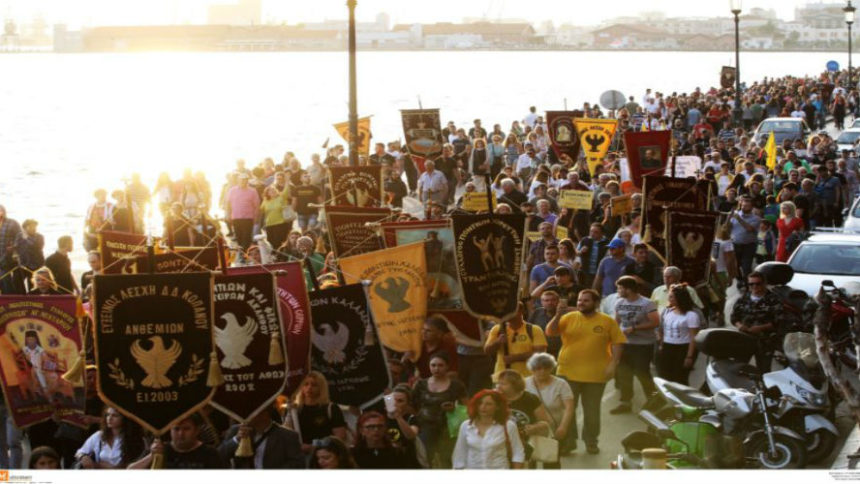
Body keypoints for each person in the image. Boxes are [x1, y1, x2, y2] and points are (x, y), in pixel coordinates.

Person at [545, 289, 624, 454]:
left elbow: (618, 343)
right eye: (580, 300)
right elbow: (550, 332)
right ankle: (569, 442)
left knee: (592, 410)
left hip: (596, 374)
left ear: (596, 303)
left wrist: (613, 364)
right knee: (567, 410)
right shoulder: (568, 318)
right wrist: (558, 315)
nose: (581, 303)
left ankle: (591, 441)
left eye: (586, 300)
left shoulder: (607, 321)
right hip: (567, 372)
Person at [611, 276, 659, 414]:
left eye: (620, 288)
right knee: (624, 373)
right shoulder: (619, 302)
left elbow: (655, 322)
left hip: (643, 344)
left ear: (629, 289)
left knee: (642, 372)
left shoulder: (647, 303)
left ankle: (654, 399)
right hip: (625, 344)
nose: (618, 291)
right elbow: (616, 322)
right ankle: (625, 403)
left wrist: (635, 328)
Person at [411, 352, 466, 469]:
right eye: (433, 365)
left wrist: (454, 408)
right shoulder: (420, 384)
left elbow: (467, 407)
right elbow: (412, 405)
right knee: (425, 459)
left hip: (448, 429)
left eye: (440, 365)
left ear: (447, 366)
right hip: (425, 427)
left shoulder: (456, 385)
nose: (436, 368)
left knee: (447, 461)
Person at [451, 390, 525, 469]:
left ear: (497, 407)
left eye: (488, 404)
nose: (483, 407)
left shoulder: (508, 426)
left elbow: (518, 452)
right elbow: (459, 455)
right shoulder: (466, 425)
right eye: (480, 403)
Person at [283, 371, 348, 456]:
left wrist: (312, 446)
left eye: (314, 385)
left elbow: (339, 438)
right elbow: (285, 435)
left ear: (321, 388)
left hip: (324, 456)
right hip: (299, 457)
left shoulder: (331, 409)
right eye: (306, 384)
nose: (309, 388)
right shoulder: (294, 410)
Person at [495, 370, 551, 467]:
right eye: (498, 383)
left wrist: (534, 428)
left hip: (527, 444)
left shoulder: (530, 399)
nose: (498, 387)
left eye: (503, 384)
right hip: (500, 444)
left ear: (515, 385)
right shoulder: (495, 399)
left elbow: (545, 422)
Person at [218, 406, 304, 469]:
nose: (246, 415)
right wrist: (236, 440)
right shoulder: (236, 431)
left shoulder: (287, 436)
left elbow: (297, 464)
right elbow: (219, 456)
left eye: (251, 412)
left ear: (265, 413)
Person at [525, 353, 574, 460]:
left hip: (554, 429)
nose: (542, 371)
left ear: (551, 368)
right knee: (530, 460)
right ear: (532, 369)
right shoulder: (524, 383)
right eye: (538, 368)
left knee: (551, 460)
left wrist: (563, 427)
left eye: (546, 368)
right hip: (531, 429)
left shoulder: (561, 384)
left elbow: (569, 408)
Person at [731, 271, 783, 372]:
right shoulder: (743, 299)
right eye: (751, 284)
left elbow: (780, 321)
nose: (754, 286)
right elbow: (734, 317)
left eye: (758, 283)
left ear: (764, 283)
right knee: (739, 368)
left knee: (764, 371)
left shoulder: (774, 300)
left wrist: (761, 328)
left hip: (765, 342)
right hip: (744, 339)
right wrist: (739, 325)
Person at [128, 414, 222, 469]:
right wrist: (152, 456)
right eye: (176, 429)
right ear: (170, 430)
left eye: (186, 429)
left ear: (196, 430)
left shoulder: (210, 453)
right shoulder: (160, 449)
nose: (181, 434)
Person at [484, 302, 547, 380]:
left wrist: (515, 358)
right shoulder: (497, 329)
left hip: (528, 378)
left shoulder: (534, 329)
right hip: (502, 378)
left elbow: (540, 353)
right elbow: (487, 351)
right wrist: (498, 342)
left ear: (522, 311)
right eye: (507, 311)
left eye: (512, 311)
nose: (509, 314)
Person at [656, 284, 701, 385]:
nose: (669, 299)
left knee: (679, 377)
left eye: (672, 297)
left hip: (683, 348)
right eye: (669, 296)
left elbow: (693, 337)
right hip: (667, 347)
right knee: (665, 376)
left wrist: (689, 356)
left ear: (680, 298)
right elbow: (663, 330)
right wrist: (661, 345)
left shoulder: (691, 315)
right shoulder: (667, 312)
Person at [74, 407, 145, 469]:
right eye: (108, 415)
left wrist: (113, 468)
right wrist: (83, 456)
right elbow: (80, 452)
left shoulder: (131, 438)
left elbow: (133, 465)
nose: (109, 418)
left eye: (115, 415)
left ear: (124, 419)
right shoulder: (99, 435)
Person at [383, 384, 423, 468]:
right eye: (394, 400)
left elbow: (411, 435)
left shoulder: (411, 418)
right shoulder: (381, 418)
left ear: (407, 404)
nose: (395, 403)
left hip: (408, 462)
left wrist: (398, 417)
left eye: (400, 401)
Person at [226, 173, 261, 253]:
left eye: (245, 180)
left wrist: (256, 217)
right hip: (236, 217)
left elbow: (257, 205)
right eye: (241, 180)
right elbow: (228, 204)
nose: (243, 181)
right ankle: (242, 252)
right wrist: (228, 214)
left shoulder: (252, 191)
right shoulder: (232, 190)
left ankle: (245, 253)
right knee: (239, 236)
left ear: (247, 181)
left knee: (246, 237)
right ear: (238, 180)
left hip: (248, 217)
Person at [729, 195, 761, 278]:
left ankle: (747, 282)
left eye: (747, 205)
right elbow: (727, 228)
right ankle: (740, 281)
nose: (744, 207)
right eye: (743, 205)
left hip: (749, 246)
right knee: (736, 265)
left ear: (751, 207)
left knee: (746, 267)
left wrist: (739, 219)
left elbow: (749, 229)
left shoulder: (756, 218)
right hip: (735, 244)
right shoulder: (735, 215)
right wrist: (728, 218)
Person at [14, 219, 44, 293]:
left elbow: (37, 247)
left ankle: (33, 298)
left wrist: (27, 237)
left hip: (35, 265)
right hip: (22, 264)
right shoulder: (19, 236)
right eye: (31, 226)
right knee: (17, 282)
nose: (34, 228)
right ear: (25, 228)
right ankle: (20, 297)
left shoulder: (40, 237)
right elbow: (16, 247)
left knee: (33, 285)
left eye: (35, 226)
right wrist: (13, 252)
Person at [260, 184, 292, 252]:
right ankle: (274, 256)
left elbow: (286, 190)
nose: (273, 191)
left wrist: (287, 181)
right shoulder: (265, 201)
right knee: (270, 242)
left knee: (279, 242)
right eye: (271, 191)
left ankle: (281, 255)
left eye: (274, 190)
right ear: (267, 193)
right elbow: (260, 210)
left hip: (281, 223)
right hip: (269, 224)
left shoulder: (281, 198)